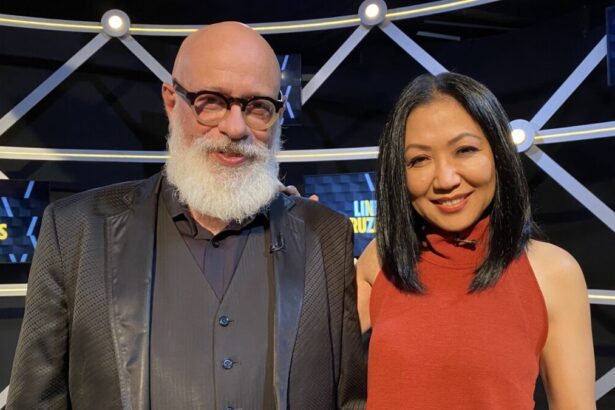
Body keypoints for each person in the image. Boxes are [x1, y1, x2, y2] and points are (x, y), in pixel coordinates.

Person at [8, 22, 366, 410]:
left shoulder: (327, 237)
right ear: (170, 100)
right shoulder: (76, 232)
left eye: (258, 107)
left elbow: (350, 401)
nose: (235, 127)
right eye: (211, 101)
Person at [356, 72, 595, 409]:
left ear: (498, 153)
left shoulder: (553, 272)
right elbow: (305, 363)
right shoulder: (382, 259)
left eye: (465, 150)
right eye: (419, 160)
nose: (446, 179)